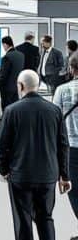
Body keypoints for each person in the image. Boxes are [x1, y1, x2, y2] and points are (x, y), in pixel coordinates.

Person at [0, 70, 70, 240]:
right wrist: (64, 175)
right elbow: (63, 144)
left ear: (20, 86)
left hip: (20, 175)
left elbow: (1, 145)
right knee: (46, 218)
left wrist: (4, 169)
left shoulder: (11, 111)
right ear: (37, 86)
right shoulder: (54, 110)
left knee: (23, 220)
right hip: (48, 175)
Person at [53, 54, 78, 229]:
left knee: (74, 190)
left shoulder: (62, 90)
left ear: (71, 69)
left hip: (71, 147)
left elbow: (54, 118)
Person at [0, 36, 25, 110]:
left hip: (7, 90)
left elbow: (3, 75)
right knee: (16, 110)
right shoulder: (21, 56)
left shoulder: (6, 57)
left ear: (5, 44)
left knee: (7, 110)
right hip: (17, 88)